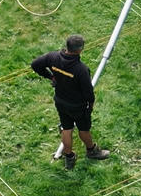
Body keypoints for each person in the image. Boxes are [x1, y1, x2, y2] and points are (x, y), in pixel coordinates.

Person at [30, 35, 111, 169]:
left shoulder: (53, 57)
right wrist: (90, 105)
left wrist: (51, 76)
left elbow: (35, 64)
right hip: (77, 106)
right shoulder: (81, 70)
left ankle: (69, 157)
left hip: (61, 102)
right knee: (84, 129)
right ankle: (92, 151)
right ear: (80, 50)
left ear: (67, 46)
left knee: (66, 128)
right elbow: (88, 93)